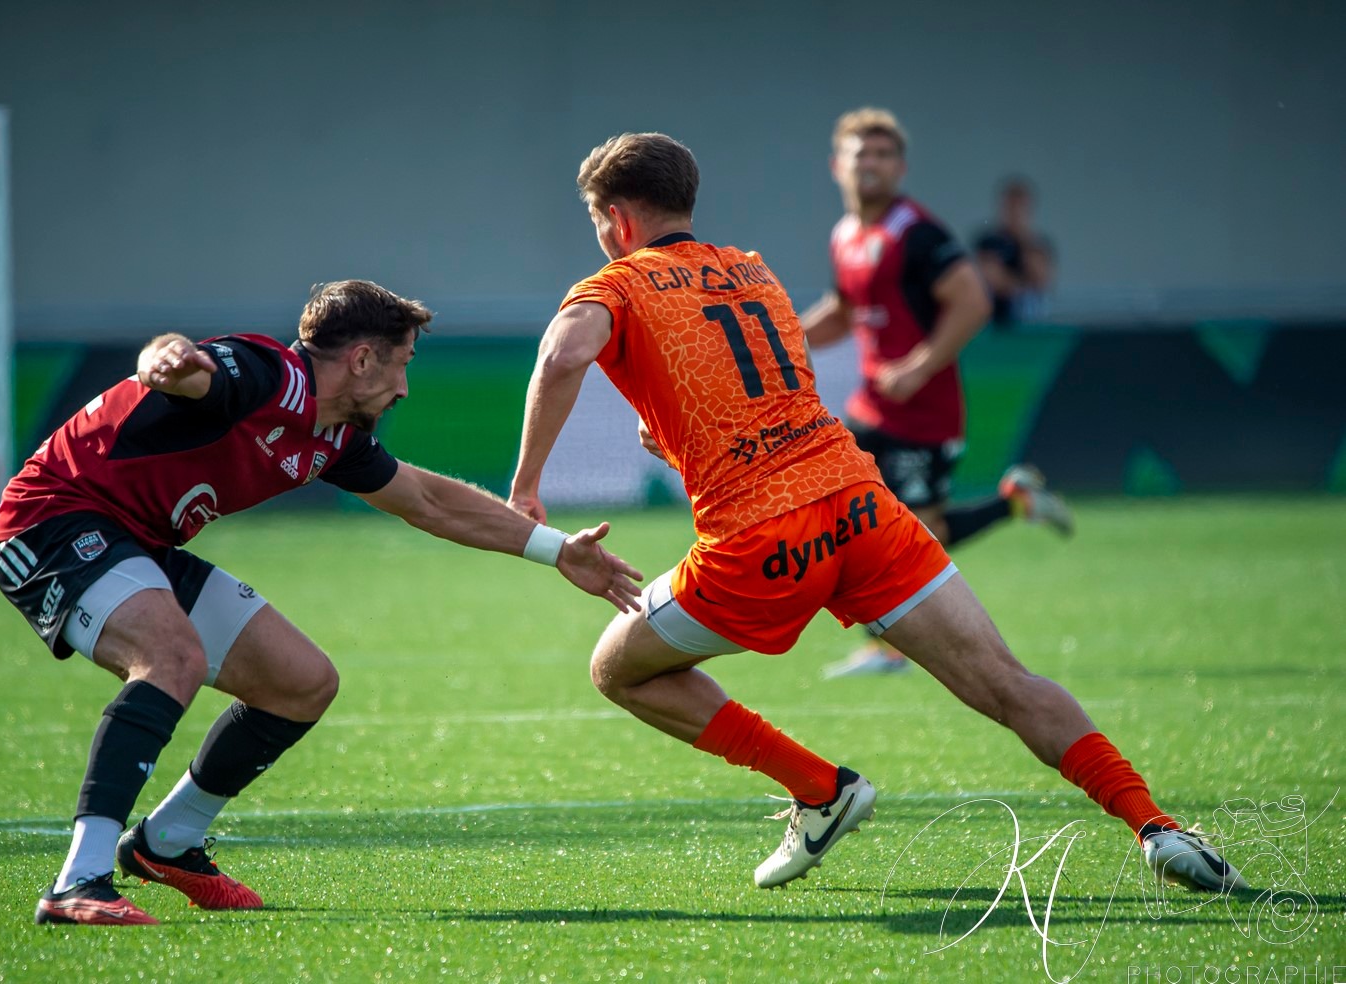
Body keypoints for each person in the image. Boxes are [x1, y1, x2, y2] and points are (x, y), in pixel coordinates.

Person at [508, 132, 1241, 894]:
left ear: (619, 221)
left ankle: (819, 788)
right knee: (1005, 681)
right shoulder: (754, 273)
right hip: (861, 505)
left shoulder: (615, 284)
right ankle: (1155, 824)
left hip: (761, 537)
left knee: (617, 669)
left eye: (599, 223)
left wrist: (527, 486)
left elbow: (563, 356)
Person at [0, 279, 643, 925]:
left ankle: (168, 842)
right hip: (52, 522)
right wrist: (164, 356)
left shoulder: (334, 437)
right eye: (401, 364)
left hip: (138, 542)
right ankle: (79, 881)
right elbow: (185, 369)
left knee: (302, 683)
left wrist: (558, 551)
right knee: (171, 656)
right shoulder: (266, 375)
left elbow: (428, 501)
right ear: (362, 359)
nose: (405, 388)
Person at [797, 108, 1071, 677]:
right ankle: (886, 642)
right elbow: (843, 314)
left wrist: (919, 367)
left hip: (924, 413)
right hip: (870, 408)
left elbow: (973, 301)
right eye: (859, 154)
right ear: (835, 166)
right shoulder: (846, 235)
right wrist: (781, 339)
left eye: (882, 155)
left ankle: (1011, 502)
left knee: (925, 534)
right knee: (843, 519)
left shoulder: (916, 232)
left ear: (899, 167)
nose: (869, 164)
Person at [973, 175, 1055, 326]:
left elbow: (1042, 280)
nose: (1015, 213)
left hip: (1031, 324)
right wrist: (1023, 285)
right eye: (1011, 207)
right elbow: (994, 281)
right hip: (996, 324)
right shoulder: (989, 242)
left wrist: (1023, 238)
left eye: (1020, 208)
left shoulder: (1037, 245)